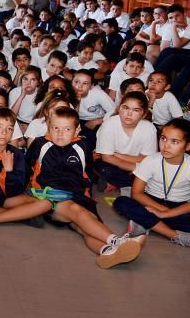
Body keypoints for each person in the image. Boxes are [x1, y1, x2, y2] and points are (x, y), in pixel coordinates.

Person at [27, 107, 144, 269]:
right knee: (76, 211)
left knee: (86, 227)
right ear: (48, 127)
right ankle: (119, 241)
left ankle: (107, 251)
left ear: (77, 130)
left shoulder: (83, 145)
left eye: (67, 129)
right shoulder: (40, 144)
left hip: (79, 196)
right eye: (55, 128)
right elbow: (27, 170)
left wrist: (88, 194)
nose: (60, 133)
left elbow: (88, 174)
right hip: (51, 196)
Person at [113, 117, 190, 247]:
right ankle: (174, 235)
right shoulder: (151, 160)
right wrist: (162, 211)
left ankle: (145, 223)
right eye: (163, 138)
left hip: (179, 207)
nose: (166, 145)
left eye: (175, 142)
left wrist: (167, 213)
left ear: (188, 146)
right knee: (122, 202)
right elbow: (137, 193)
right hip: (150, 201)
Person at [95, 92, 157, 197]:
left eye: (136, 110)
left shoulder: (149, 128)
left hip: (133, 164)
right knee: (104, 168)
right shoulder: (109, 124)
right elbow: (106, 158)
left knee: (154, 170)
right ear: (119, 108)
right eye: (125, 108)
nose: (129, 114)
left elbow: (146, 159)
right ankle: (131, 185)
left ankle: (118, 183)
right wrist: (136, 169)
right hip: (114, 164)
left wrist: (116, 155)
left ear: (144, 114)